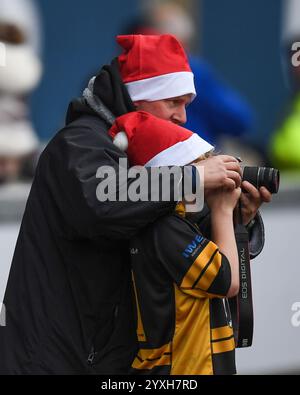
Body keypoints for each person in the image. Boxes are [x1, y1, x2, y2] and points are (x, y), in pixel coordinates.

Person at [0, 34, 269, 375]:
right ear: (140, 97)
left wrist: (236, 217)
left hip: (103, 357)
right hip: (56, 358)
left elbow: (170, 244)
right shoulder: (79, 143)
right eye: (174, 101)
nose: (183, 117)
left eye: (187, 104)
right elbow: (105, 203)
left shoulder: (144, 153)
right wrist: (192, 178)